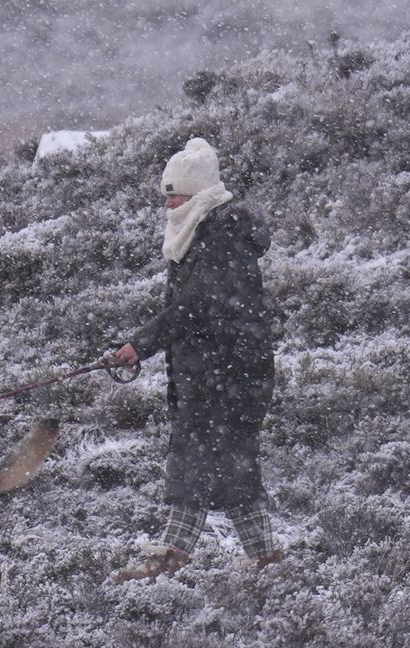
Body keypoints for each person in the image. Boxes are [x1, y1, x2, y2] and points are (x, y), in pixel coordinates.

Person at [110, 137, 282, 583]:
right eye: (167, 194)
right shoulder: (200, 232)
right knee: (232, 463)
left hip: (227, 375)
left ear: (201, 193)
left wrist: (141, 344)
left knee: (194, 458)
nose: (170, 202)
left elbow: (197, 307)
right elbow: (195, 307)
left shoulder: (220, 235)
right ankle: (264, 556)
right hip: (221, 374)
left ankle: (170, 554)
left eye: (177, 194)